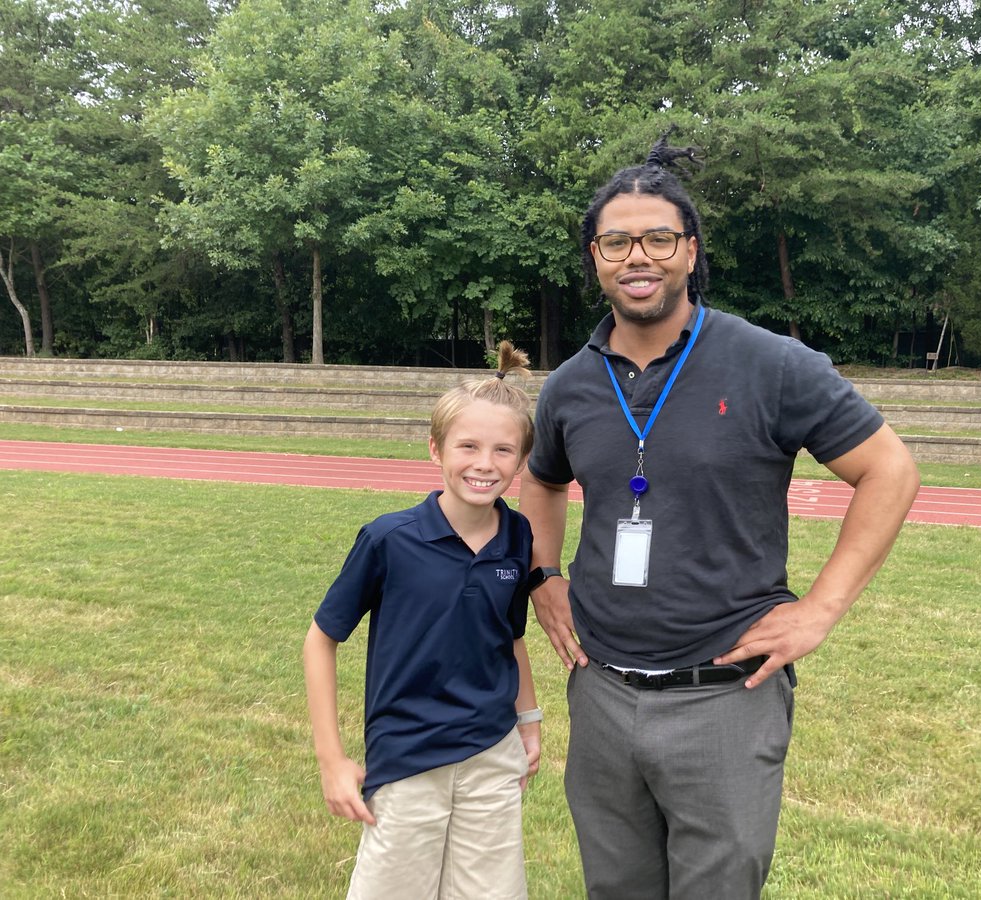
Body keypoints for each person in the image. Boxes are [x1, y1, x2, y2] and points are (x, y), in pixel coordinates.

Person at [518, 130, 921, 900]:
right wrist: (544, 574)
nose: (638, 257)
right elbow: (542, 481)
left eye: (658, 238)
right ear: (595, 260)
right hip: (601, 692)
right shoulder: (570, 385)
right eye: (617, 243)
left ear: (691, 251)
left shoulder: (771, 364)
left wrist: (821, 610)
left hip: (725, 696)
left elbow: (889, 470)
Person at [303, 341, 542, 900]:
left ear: (522, 460)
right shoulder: (390, 539)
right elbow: (320, 640)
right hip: (408, 759)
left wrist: (528, 720)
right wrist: (332, 760)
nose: (485, 464)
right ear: (436, 449)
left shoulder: (517, 537)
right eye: (469, 446)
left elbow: (510, 637)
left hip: (492, 755)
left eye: (503, 450)